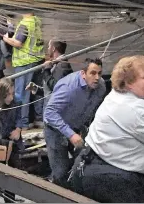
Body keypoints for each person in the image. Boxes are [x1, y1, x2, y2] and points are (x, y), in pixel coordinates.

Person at [71, 55, 144, 203]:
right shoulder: (132, 109)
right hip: (114, 181)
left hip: (95, 168)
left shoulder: (119, 96)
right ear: (129, 83)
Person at [43, 58, 106, 189]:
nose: (97, 77)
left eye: (99, 73)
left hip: (77, 127)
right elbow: (49, 113)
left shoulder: (100, 87)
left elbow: (94, 110)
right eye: (92, 73)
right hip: (56, 130)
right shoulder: (69, 87)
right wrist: (70, 134)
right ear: (83, 73)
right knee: (60, 173)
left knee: (85, 166)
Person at [3, 13, 45, 130]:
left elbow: (18, 43)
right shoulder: (36, 21)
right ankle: (39, 119)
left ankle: (23, 123)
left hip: (25, 63)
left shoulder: (25, 24)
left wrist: (6, 38)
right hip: (37, 60)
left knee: (22, 93)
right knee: (36, 91)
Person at [26, 39, 73, 107]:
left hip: (55, 107)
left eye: (49, 46)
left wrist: (46, 70)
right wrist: (36, 89)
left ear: (53, 49)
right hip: (50, 106)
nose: (47, 49)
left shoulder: (62, 65)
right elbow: (50, 90)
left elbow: (56, 87)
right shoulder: (56, 64)